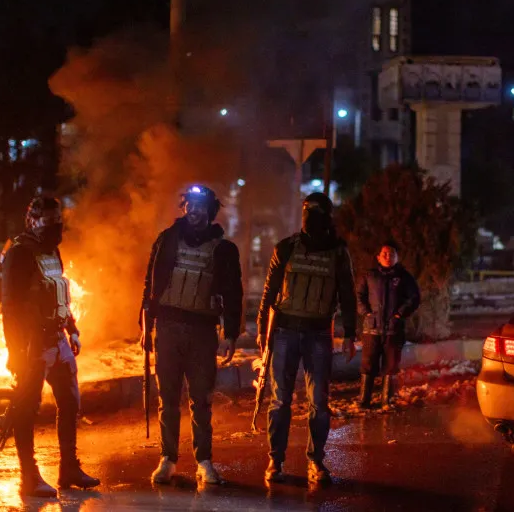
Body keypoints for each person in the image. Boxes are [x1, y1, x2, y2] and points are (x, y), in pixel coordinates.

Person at [140, 184, 243, 485]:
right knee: (168, 397)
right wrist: (145, 326)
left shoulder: (224, 249)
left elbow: (233, 294)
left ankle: (204, 461)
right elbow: (150, 284)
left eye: (200, 207)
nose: (194, 211)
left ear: (210, 212)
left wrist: (231, 334)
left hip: (202, 332)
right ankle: (168, 459)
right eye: (190, 205)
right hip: (168, 328)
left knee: (201, 399)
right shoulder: (166, 239)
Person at [1, 196, 100, 498]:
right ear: (32, 220)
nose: (55, 226)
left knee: (70, 402)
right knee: (27, 409)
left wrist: (73, 330)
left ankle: (69, 468)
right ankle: (29, 477)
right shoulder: (19, 254)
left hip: (59, 340)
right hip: (32, 345)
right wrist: (15, 352)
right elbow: (10, 308)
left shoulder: (53, 251)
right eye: (48, 220)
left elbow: (60, 295)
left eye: (58, 220)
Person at [256, 192, 357, 485]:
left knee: (319, 403)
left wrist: (350, 334)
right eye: (306, 211)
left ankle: (316, 461)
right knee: (280, 401)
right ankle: (276, 460)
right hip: (284, 331)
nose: (310, 217)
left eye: (316, 212)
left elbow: (347, 294)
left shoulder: (338, 252)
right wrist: (262, 331)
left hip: (319, 334)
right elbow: (268, 292)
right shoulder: (286, 247)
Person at [357, 242, 420, 407]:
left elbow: (414, 298)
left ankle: (387, 399)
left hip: (394, 329)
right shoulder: (369, 276)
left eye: (392, 254)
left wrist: (400, 314)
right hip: (371, 328)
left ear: (397, 257)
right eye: (384, 253)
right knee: (368, 364)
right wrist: (366, 312)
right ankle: (364, 400)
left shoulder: (404, 277)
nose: (388, 256)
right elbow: (359, 296)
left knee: (391, 365)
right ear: (378, 257)